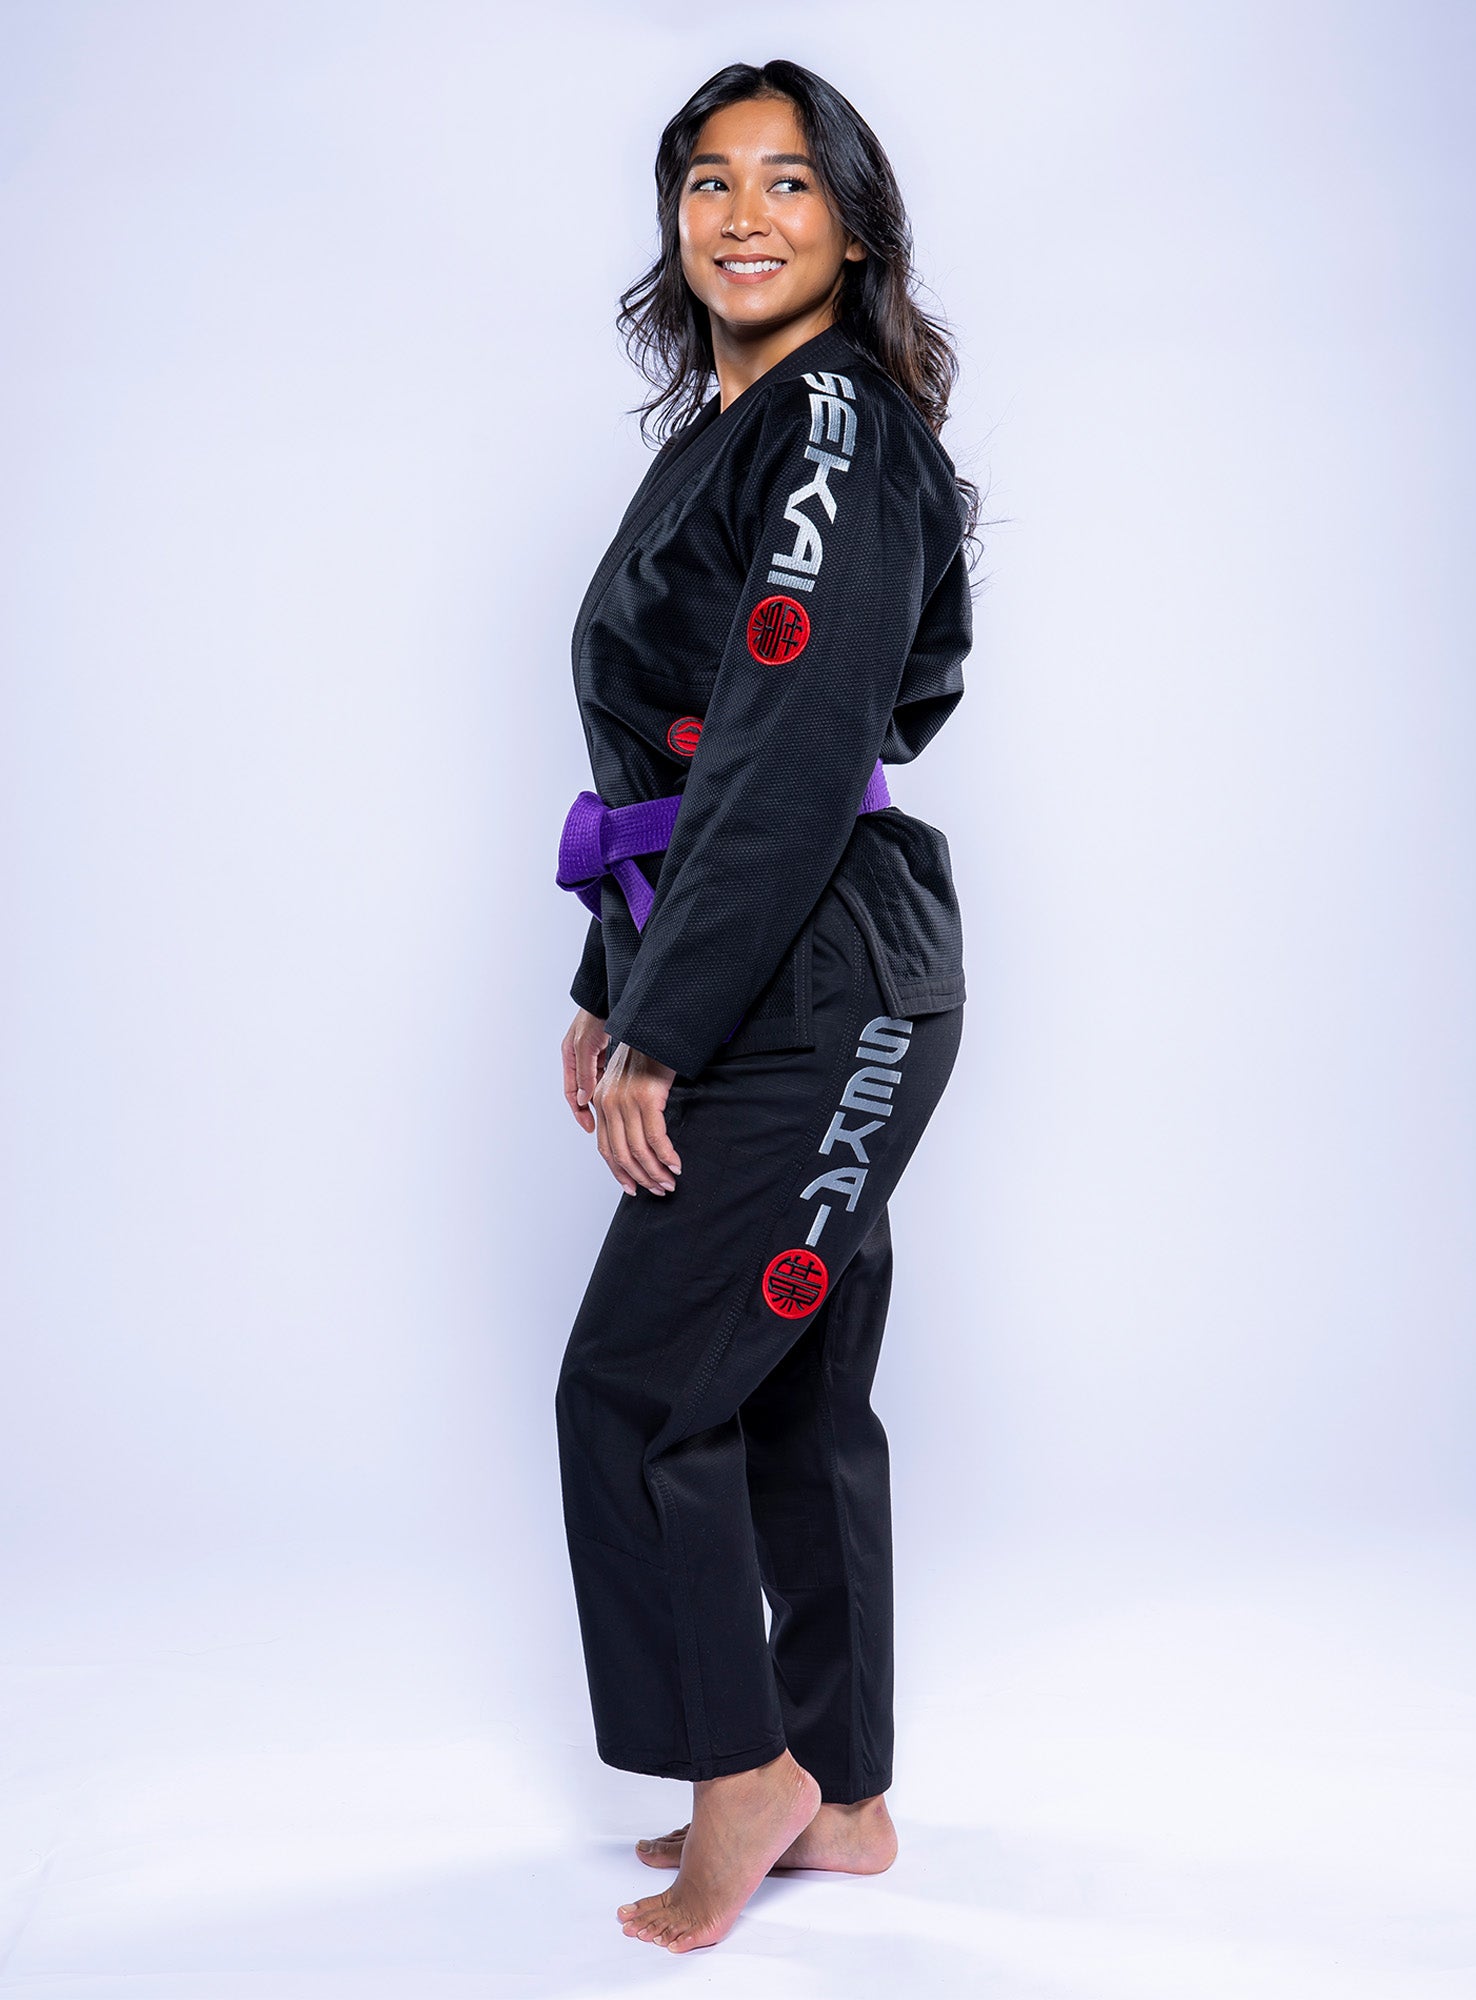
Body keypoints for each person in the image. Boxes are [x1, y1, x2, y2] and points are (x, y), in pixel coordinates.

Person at [553, 58, 978, 1955]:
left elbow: (796, 752)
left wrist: (666, 1019)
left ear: (855, 225)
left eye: (788, 181)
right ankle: (848, 1795)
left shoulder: (829, 425)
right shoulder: (740, 433)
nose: (740, 213)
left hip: (821, 980)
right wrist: (605, 983)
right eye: (706, 180)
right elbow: (678, 753)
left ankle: (743, 1776)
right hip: (797, 960)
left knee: (636, 1387)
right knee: (790, 1394)